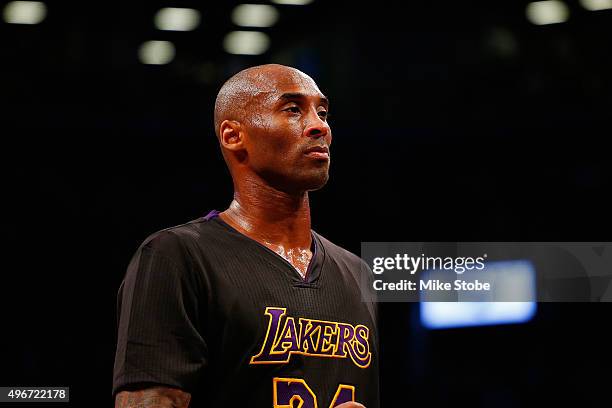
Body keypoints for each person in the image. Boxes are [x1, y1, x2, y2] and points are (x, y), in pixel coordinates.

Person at [113, 64, 379, 407]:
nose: (320, 126)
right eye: (293, 109)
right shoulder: (176, 256)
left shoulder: (358, 274)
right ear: (233, 136)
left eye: (323, 111)